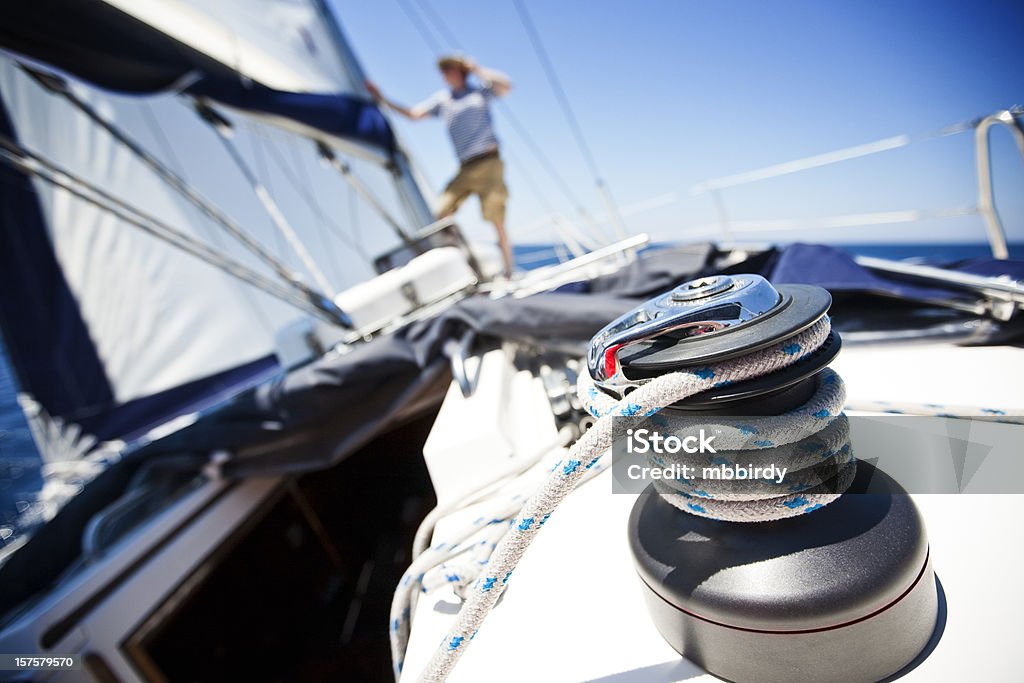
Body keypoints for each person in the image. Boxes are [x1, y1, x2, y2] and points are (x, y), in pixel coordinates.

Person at [366, 56, 515, 277]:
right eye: (443, 71)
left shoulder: (480, 92)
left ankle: (508, 271)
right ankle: (466, 267)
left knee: (496, 218)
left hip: (488, 162)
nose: (444, 74)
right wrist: (382, 99)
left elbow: (506, 86)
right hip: (465, 167)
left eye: (449, 69)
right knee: (442, 212)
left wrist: (477, 69)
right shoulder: (443, 100)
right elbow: (413, 115)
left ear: (461, 71)